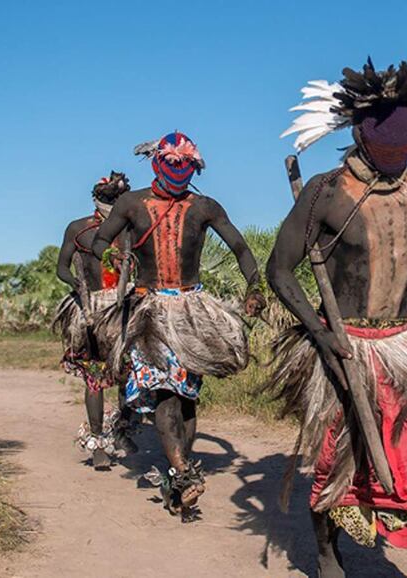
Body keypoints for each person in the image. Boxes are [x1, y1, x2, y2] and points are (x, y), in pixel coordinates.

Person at [265, 59, 407, 577]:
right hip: (345, 347)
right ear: (357, 134)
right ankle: (327, 557)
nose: (396, 160)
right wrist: (322, 335)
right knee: (339, 464)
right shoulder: (324, 194)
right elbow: (279, 270)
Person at [92, 132, 264, 517]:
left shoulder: (204, 207)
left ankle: (176, 472)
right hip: (148, 310)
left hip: (191, 310)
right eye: (172, 165)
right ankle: (185, 472)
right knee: (166, 390)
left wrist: (255, 287)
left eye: (186, 167)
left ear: (195, 167)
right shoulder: (131, 203)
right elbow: (100, 242)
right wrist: (109, 271)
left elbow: (240, 248)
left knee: (187, 397)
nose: (179, 173)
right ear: (157, 163)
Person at [54, 171, 134, 470]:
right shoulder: (78, 229)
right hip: (92, 309)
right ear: (96, 199)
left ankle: (124, 429)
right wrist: (76, 284)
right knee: (96, 376)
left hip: (126, 307)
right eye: (107, 200)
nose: (110, 206)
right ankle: (99, 442)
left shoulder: (130, 229)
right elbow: (62, 267)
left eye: (116, 201)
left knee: (129, 373)